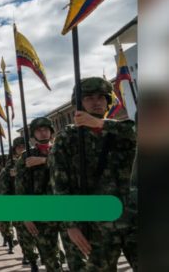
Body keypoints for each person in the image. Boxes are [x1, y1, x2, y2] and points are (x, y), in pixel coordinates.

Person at [49, 77, 137, 271]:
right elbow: (60, 186)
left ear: (108, 101)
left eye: (101, 97)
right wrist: (70, 225)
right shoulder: (67, 139)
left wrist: (101, 124)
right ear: (79, 103)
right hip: (96, 225)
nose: (96, 102)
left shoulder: (121, 130)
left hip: (133, 218)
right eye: (88, 98)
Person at [16, 117, 71, 271]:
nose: (43, 132)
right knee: (50, 257)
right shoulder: (25, 158)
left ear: (51, 132)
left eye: (46, 129)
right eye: (39, 130)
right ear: (33, 135)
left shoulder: (63, 150)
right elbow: (21, 189)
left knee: (76, 255)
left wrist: (43, 160)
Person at [0, 137, 38, 271]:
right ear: (14, 150)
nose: (22, 149)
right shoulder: (9, 167)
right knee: (24, 234)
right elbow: (5, 189)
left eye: (24, 146)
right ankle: (31, 258)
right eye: (19, 147)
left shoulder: (37, 157)